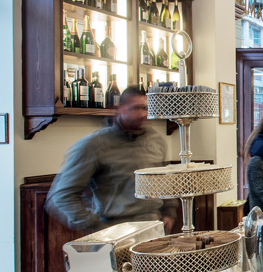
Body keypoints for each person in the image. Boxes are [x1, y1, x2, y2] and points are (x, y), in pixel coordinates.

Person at [46, 86, 177, 232]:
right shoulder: (93, 145)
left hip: (154, 228)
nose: (143, 114)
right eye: (137, 108)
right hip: (117, 231)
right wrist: (98, 228)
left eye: (146, 108)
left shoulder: (156, 140)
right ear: (122, 108)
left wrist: (169, 212)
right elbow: (63, 196)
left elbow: (164, 181)